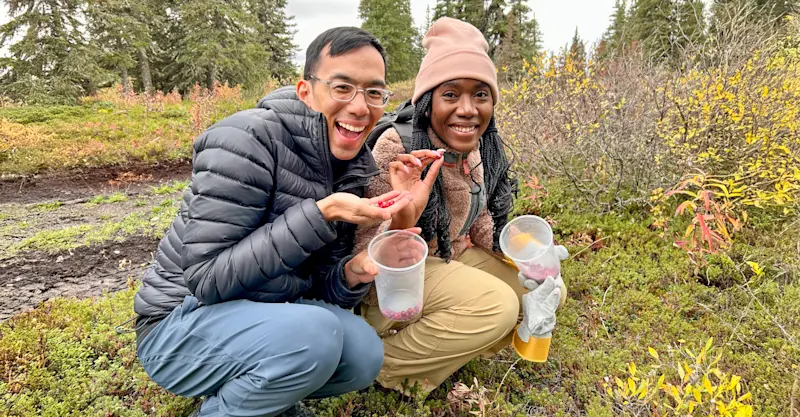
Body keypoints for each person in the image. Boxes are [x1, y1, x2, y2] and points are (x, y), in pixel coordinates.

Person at [130, 27, 415, 417]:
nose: (360, 107)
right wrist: (321, 213)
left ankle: (261, 403)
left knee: (362, 353)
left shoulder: (350, 167)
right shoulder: (245, 139)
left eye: (374, 93)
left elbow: (314, 292)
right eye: (342, 87)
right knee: (315, 337)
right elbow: (207, 278)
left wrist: (352, 271)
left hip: (263, 319)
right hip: (179, 323)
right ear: (305, 90)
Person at [353, 17, 568, 395]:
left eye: (480, 94)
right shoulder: (397, 148)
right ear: (427, 101)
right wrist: (406, 211)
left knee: (548, 287)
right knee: (497, 307)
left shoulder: (474, 148)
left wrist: (525, 252)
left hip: (451, 254)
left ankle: (452, 345)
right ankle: (380, 367)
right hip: (394, 279)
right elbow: (367, 247)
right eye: (451, 94)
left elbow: (478, 217)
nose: (467, 109)